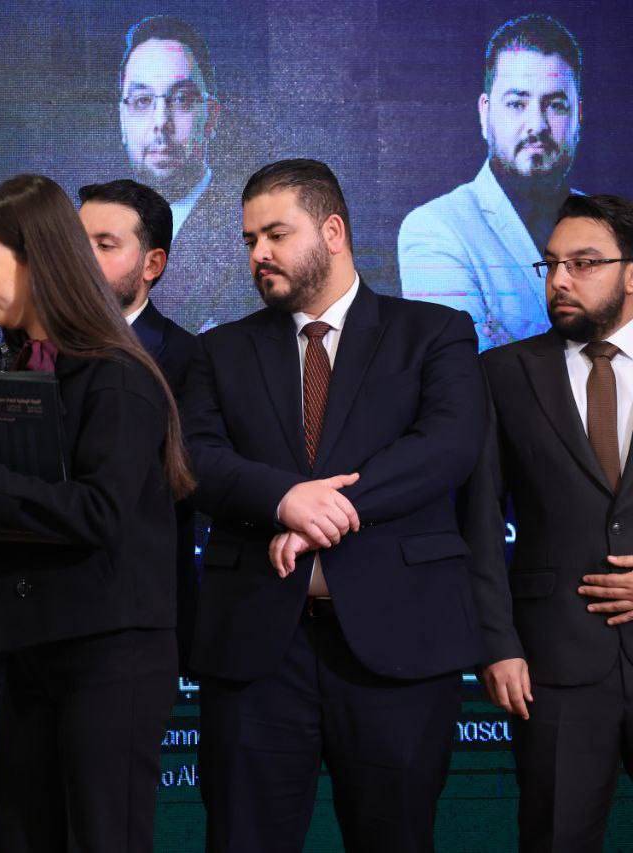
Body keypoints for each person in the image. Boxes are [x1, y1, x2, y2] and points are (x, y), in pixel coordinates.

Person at [182, 159, 486, 851]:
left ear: (333, 231)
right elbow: (194, 458)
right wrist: (284, 499)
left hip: (399, 646)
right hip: (256, 649)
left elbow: (448, 446)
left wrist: (320, 513)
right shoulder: (219, 350)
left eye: (276, 234)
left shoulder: (434, 332)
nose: (258, 254)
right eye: (250, 240)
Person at [0, 174, 192, 851]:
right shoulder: (27, 366)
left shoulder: (117, 374)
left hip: (109, 661)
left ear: (39, 261)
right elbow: (37, 516)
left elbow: (99, 513)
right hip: (30, 650)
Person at [466, 194, 633, 852]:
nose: (560, 279)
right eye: (551, 264)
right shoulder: (503, 373)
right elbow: (479, 521)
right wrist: (497, 643)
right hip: (552, 663)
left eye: (583, 263)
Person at [399, 14, 582, 350]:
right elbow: (462, 370)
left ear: (578, 117)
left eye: (555, 105)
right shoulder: (434, 230)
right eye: (517, 104)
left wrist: (509, 346)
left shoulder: (612, 227)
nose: (537, 125)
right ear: (485, 114)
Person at [78, 178, 200, 668]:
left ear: (152, 264)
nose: (82, 259)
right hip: (43, 611)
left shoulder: (187, 358)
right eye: (77, 242)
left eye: (104, 245)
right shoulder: (37, 348)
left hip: (135, 616)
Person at [116, 15, 257, 333]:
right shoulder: (93, 236)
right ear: (123, 120)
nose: (160, 122)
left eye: (181, 100)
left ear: (211, 118)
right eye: (142, 101)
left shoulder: (247, 235)